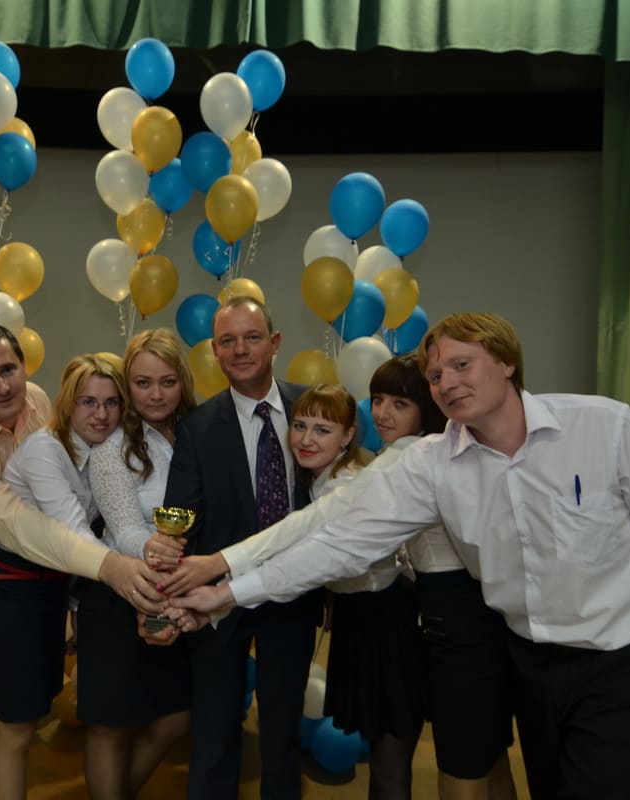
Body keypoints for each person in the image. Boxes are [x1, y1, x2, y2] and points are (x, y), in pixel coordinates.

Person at [173, 312, 630, 800]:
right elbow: (337, 538)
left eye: (463, 365)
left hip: (626, 661)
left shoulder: (604, 426)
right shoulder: (432, 463)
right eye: (437, 375)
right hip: (532, 668)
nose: (447, 383)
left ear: (507, 363)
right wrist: (227, 586)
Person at [165, 358, 516, 800]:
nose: (383, 413)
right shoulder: (381, 460)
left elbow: (315, 538)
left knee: (439, 764)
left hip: (406, 625)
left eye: (401, 403)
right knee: (471, 760)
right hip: (381, 620)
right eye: (379, 400)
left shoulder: (390, 464)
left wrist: (222, 577)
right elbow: (309, 530)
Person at [0, 323, 166, 800]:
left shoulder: (37, 402)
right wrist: (109, 567)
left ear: (24, 366)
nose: (2, 386)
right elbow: (15, 523)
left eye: (8, 369)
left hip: (13, 579)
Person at [162, 296, 323, 799]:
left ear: (274, 343)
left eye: (252, 338)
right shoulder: (196, 427)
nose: (240, 350)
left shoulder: (312, 409)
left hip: (292, 593)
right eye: (227, 341)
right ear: (214, 351)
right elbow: (180, 511)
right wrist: (165, 558)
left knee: (282, 730)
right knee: (213, 729)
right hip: (218, 597)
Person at [0, 354, 125, 800]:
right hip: (16, 592)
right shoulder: (45, 449)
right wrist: (131, 577)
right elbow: (73, 533)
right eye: (88, 402)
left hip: (56, 588)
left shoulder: (104, 450)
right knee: (16, 725)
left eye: (111, 403)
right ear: (67, 403)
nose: (100, 415)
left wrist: (74, 605)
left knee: (36, 712)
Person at [79, 329, 197, 799]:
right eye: (142, 383)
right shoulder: (113, 447)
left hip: (183, 590)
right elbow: (125, 529)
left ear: (183, 381)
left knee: (177, 717)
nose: (156, 394)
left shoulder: (198, 433)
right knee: (110, 725)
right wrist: (156, 552)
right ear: (127, 385)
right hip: (118, 593)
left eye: (167, 382)